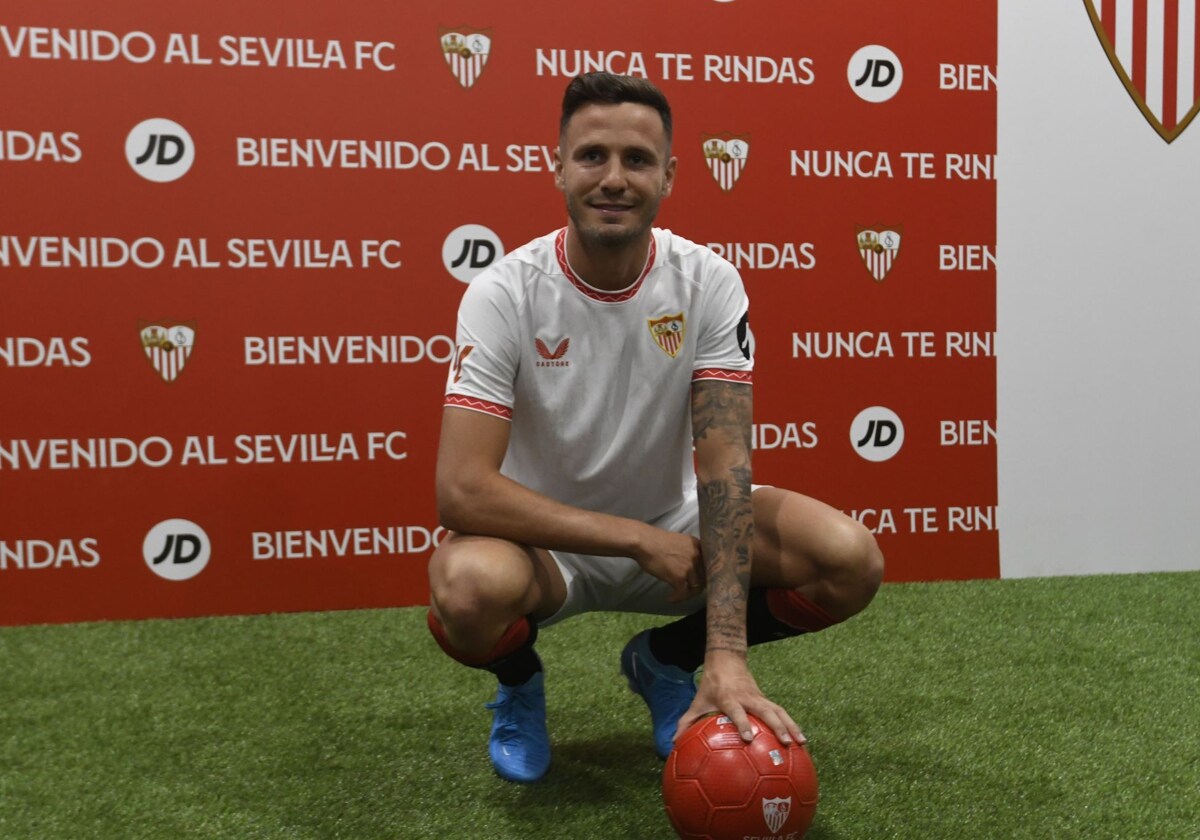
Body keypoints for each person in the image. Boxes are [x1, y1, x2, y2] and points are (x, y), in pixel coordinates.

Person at [427, 72, 884, 784]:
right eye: (592, 156)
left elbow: (726, 462)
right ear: (557, 166)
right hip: (551, 550)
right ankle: (519, 683)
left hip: (683, 531)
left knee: (850, 561)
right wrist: (636, 541)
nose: (614, 178)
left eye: (636, 160)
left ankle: (665, 658)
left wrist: (726, 651)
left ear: (668, 175)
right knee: (466, 588)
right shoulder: (502, 292)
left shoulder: (707, 280)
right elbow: (461, 492)